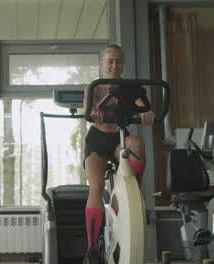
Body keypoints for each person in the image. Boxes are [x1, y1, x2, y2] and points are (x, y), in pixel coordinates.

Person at [82, 44, 155, 264]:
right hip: (97, 140)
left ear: (124, 63)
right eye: (110, 61)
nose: (115, 65)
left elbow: (144, 106)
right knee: (96, 187)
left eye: (119, 61)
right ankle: (92, 247)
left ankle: (131, 198)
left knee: (137, 143)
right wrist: (93, 111)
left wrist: (148, 113)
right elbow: (88, 106)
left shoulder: (130, 88)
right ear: (102, 63)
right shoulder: (94, 87)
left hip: (120, 138)